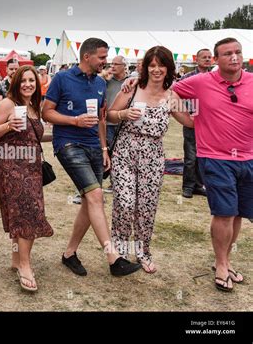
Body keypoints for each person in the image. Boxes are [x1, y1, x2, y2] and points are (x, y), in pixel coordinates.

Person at [42, 38, 142, 277]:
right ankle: (113, 257)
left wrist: (105, 149)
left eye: (106, 58)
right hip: (68, 144)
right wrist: (73, 121)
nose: (105, 62)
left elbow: (100, 119)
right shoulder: (62, 78)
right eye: (102, 57)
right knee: (96, 195)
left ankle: (69, 254)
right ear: (87, 56)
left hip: (94, 146)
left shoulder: (99, 82)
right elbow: (47, 112)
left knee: (90, 200)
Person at [172, 38, 252, 292]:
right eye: (227, 54)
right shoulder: (200, 81)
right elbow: (170, 91)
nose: (234, 57)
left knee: (238, 212)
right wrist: (189, 120)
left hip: (249, 158)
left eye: (238, 52)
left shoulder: (252, 82)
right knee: (224, 213)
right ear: (216, 60)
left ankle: (227, 261)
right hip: (216, 158)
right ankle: (220, 265)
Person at [107, 46, 194, 274]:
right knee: (124, 204)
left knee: (146, 208)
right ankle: (121, 252)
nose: (156, 69)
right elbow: (109, 115)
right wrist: (124, 114)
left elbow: (190, 121)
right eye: (152, 65)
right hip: (125, 152)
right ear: (145, 67)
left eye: (161, 65)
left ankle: (143, 252)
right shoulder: (132, 88)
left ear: (168, 68)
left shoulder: (172, 96)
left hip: (153, 157)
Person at [0, 65, 53, 292]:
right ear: (16, 82)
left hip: (32, 167)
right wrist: (8, 125)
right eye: (23, 80)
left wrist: (68, 131)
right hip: (10, 166)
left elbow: (37, 136)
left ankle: (17, 260)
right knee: (26, 212)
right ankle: (25, 266)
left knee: (25, 212)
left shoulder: (35, 106)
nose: (28, 84)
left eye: (31, 81)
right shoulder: (8, 103)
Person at [180, 49, 212, 199]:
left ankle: (198, 185)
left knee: (203, 156)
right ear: (196, 59)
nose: (207, 59)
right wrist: (185, 112)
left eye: (209, 57)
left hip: (209, 123)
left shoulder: (214, 77)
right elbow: (174, 94)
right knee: (191, 156)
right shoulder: (188, 77)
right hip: (192, 122)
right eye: (204, 57)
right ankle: (187, 186)